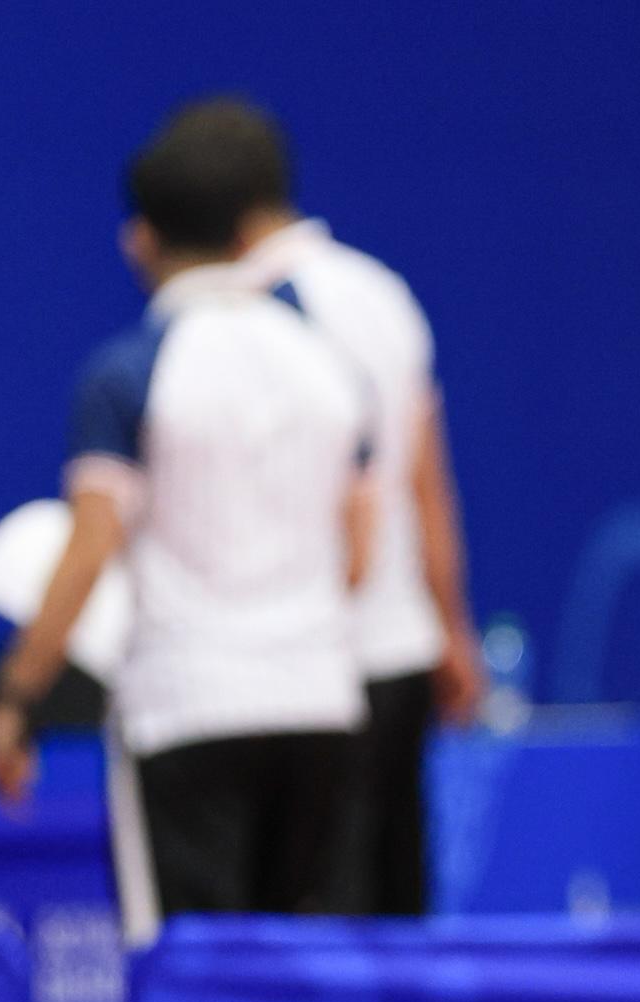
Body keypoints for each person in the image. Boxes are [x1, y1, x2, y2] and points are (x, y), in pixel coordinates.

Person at [0, 100, 374, 924]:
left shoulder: (129, 373)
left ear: (142, 240)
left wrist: (18, 696)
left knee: (188, 977)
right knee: (294, 970)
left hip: (189, 713)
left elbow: (90, 548)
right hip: (321, 707)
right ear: (249, 233)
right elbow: (359, 546)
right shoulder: (329, 361)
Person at [230, 100, 488, 916]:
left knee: (325, 926)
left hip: (314, 670)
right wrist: (452, 625)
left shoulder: (253, 316)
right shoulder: (383, 291)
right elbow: (429, 481)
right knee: (398, 912)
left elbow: (364, 493)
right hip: (403, 650)